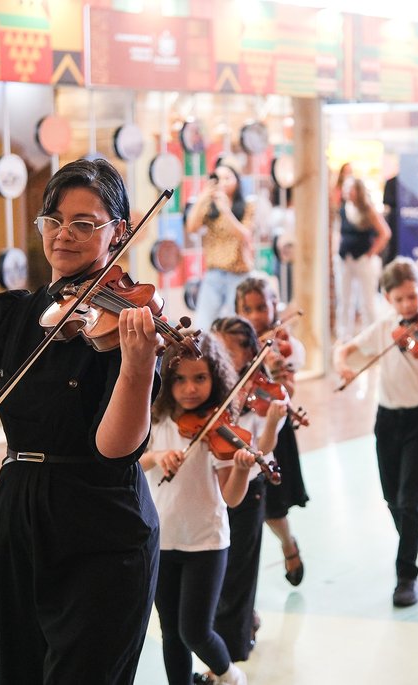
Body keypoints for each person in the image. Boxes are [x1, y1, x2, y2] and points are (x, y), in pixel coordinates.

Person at [0, 158, 161, 684]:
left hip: (102, 521)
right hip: (17, 514)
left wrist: (138, 366)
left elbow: (114, 448)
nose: (65, 235)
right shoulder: (12, 313)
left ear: (119, 233)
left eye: (85, 223)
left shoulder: (127, 321)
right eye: (54, 220)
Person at [334, 258, 418, 608]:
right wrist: (343, 366)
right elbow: (346, 349)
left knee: (412, 498)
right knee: (390, 496)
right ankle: (410, 539)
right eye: (399, 300)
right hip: (387, 418)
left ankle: (406, 576)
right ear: (388, 298)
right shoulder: (385, 328)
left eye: (412, 298)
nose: (407, 306)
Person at [141, 334, 255, 685]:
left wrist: (240, 468)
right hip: (162, 541)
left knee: (195, 630)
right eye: (180, 379)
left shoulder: (216, 431)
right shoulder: (155, 422)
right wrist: (158, 456)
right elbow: (135, 461)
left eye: (200, 378)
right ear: (167, 380)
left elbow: (232, 498)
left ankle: (229, 675)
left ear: (215, 378)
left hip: (205, 543)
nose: (190, 388)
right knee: (171, 632)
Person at [209, 316, 287, 671]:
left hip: (249, 482)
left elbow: (266, 446)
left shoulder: (264, 394)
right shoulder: (209, 386)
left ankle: (234, 649)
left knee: (240, 567)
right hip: (212, 486)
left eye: (230, 352)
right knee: (217, 570)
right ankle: (229, 635)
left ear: (250, 353)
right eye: (218, 351)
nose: (222, 360)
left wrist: (272, 419)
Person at [234, 275, 309, 587]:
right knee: (240, 510)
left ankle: (288, 543)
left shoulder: (284, 345)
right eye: (247, 309)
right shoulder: (231, 341)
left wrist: (275, 365)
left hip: (272, 428)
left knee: (272, 507)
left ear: (274, 306)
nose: (254, 316)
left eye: (261, 308)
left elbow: (287, 387)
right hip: (238, 429)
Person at [186, 162, 255, 329]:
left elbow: (244, 235)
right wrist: (203, 197)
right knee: (203, 324)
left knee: (235, 326)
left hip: (239, 273)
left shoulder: (247, 206)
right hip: (214, 273)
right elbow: (192, 227)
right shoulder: (209, 207)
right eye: (218, 178)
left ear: (237, 181)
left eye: (227, 178)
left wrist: (225, 209)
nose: (222, 182)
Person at [337, 177, 391, 340]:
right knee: (345, 298)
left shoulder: (368, 210)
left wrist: (371, 253)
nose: (348, 192)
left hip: (363, 259)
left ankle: (371, 336)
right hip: (345, 259)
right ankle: (344, 334)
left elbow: (385, 233)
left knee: (367, 300)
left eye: (351, 189)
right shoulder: (343, 209)